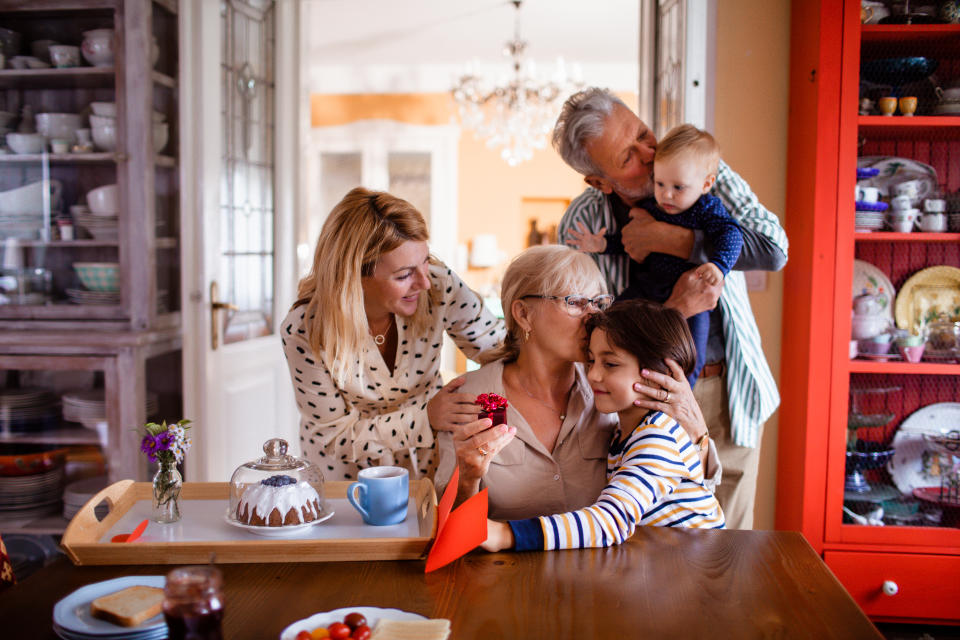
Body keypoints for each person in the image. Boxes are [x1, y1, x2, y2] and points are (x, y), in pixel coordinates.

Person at [554, 88, 788, 529]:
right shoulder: (584, 224)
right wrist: (676, 307)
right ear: (600, 182)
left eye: (644, 133)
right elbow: (586, 329)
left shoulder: (697, 167)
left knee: (730, 544)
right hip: (638, 398)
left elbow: (774, 250)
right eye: (628, 156)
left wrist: (673, 240)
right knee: (651, 540)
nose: (650, 152)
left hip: (727, 392)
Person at [435, 245, 719, 520]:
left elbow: (690, 497)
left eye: (598, 303)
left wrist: (698, 434)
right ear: (523, 314)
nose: (593, 316)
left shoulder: (615, 386)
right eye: (576, 302)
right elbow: (448, 525)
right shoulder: (470, 398)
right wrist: (468, 479)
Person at [281, 187, 504, 481]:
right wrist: (425, 419)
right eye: (404, 275)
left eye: (425, 261)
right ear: (355, 277)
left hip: (428, 461)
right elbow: (334, 436)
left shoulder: (439, 286)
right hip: (345, 473)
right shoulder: (304, 329)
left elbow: (499, 348)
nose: (424, 282)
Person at [483, 299, 725, 552]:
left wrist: (503, 534)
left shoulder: (658, 437)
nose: (593, 375)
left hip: (697, 571)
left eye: (610, 364)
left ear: (660, 372)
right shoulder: (625, 433)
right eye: (591, 361)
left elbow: (611, 521)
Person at [566, 124, 742, 385]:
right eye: (659, 183)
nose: (667, 194)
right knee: (614, 318)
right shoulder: (654, 206)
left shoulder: (707, 208)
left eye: (678, 187)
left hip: (694, 294)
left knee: (692, 348)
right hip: (648, 284)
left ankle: (685, 392)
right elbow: (630, 239)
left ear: (706, 184)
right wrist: (603, 244)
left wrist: (719, 265)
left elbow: (732, 235)